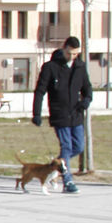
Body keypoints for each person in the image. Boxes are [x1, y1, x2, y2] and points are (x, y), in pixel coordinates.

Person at [32, 35, 92, 193]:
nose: (72, 57)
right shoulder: (51, 67)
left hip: (76, 114)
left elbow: (88, 89)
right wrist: (36, 113)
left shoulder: (80, 66)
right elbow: (40, 91)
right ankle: (68, 181)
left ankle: (54, 167)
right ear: (64, 49)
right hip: (60, 114)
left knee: (78, 147)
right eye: (69, 53)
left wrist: (86, 100)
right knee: (66, 146)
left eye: (75, 54)